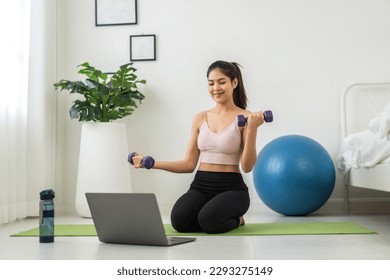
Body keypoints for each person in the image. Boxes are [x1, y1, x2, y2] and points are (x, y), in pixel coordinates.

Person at [132, 60, 264, 234]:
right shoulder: (200, 118)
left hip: (232, 189)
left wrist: (252, 129)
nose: (216, 87)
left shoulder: (246, 118)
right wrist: (151, 163)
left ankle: (238, 219)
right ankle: (210, 216)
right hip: (201, 186)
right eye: (211, 83)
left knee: (209, 221)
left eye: (221, 82)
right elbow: (188, 164)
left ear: (234, 82)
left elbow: (247, 167)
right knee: (179, 221)